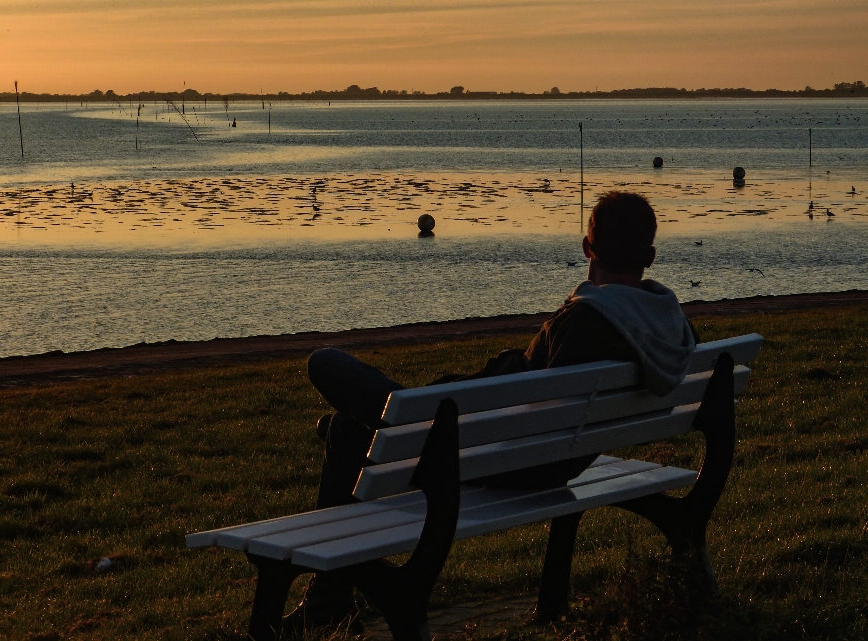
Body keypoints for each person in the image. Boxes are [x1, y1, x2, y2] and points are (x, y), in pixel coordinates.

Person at [284, 191, 698, 634]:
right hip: (551, 454)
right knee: (349, 429)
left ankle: (329, 597)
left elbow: (535, 414)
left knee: (326, 364)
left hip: (500, 456)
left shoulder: (585, 320)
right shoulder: (669, 324)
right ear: (650, 256)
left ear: (586, 247)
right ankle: (332, 588)